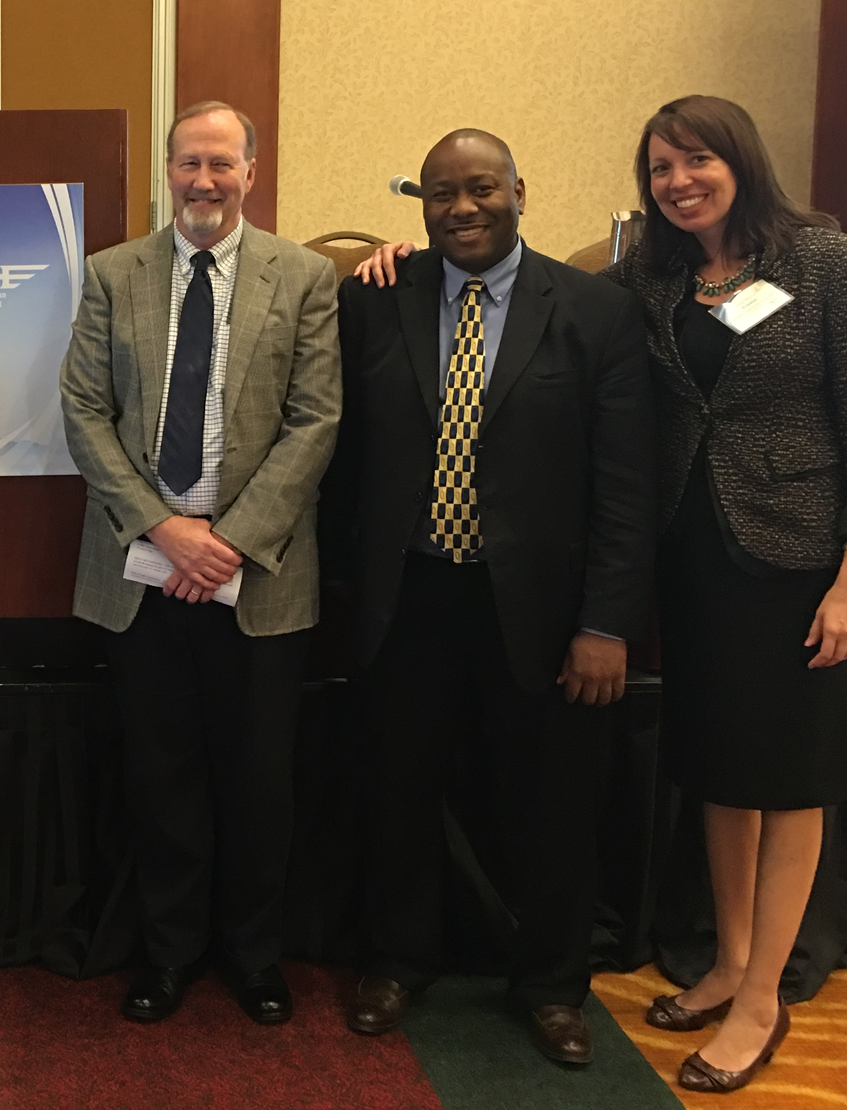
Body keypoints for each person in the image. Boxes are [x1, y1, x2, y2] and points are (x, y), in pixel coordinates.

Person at [328, 129, 654, 1067]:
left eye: (481, 189)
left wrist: (604, 624)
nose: (462, 208)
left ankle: (552, 985)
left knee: (554, 805)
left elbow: (624, 486)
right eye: (440, 194)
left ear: (521, 190)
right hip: (408, 595)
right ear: (419, 205)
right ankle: (398, 960)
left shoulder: (596, 312)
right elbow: (342, 457)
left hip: (548, 615)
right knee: (398, 790)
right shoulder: (378, 299)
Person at [609, 98, 847, 1091]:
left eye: (695, 161)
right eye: (659, 169)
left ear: (740, 159)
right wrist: (398, 256)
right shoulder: (656, 278)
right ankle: (728, 960)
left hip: (795, 562)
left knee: (788, 777)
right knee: (720, 770)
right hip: (693, 561)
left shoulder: (829, 263)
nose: (678, 181)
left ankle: (764, 997)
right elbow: (541, 293)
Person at [58, 101, 341, 1025]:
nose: (204, 182)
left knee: (261, 782)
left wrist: (224, 544)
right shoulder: (112, 274)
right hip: (142, 575)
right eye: (189, 164)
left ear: (251, 173)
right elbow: (84, 413)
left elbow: (315, 421)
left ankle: (254, 955)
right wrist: (164, 529)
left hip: (259, 574)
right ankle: (169, 952)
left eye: (222, 164)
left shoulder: (303, 277)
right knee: (162, 778)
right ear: (167, 171)